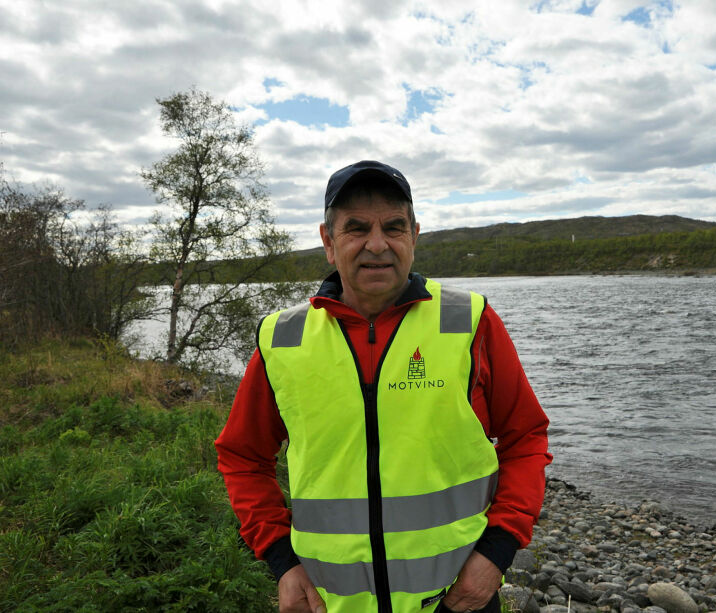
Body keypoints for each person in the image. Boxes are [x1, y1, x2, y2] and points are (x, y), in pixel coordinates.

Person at [215, 160, 551, 613]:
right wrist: (281, 561)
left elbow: (526, 438)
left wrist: (496, 554)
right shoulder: (283, 338)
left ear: (414, 235)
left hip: (457, 600)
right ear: (328, 242)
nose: (378, 244)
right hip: (330, 604)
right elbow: (242, 456)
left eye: (394, 226)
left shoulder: (468, 322)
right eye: (356, 228)